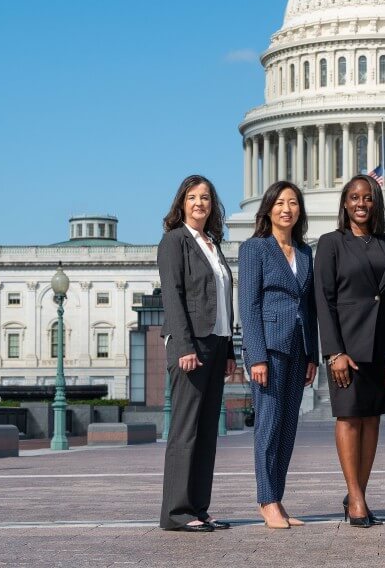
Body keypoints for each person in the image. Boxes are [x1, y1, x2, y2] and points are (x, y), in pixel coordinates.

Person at [314, 175, 385, 528]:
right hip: (348, 348)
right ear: (344, 202)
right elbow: (323, 301)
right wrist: (334, 351)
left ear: (376, 203)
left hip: (383, 349)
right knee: (349, 418)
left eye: (367, 197)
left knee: (372, 420)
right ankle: (355, 498)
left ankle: (358, 495)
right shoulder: (330, 244)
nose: (361, 203)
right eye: (354, 197)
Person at [238, 181, 319, 529]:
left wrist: (312, 353)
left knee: (287, 429)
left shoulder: (304, 252)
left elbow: (309, 307)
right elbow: (248, 305)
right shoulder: (254, 248)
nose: (287, 209)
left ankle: (278, 499)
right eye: (280, 203)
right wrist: (256, 355)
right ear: (268, 208)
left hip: (298, 347)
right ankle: (266, 499)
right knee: (268, 427)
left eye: (293, 203)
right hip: (268, 348)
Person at [158, 174, 236, 533]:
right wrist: (184, 345)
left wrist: (230, 349)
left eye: (205, 197)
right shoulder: (175, 241)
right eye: (192, 197)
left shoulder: (211, 244)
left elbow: (221, 302)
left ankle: (199, 509)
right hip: (192, 344)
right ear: (182, 203)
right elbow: (173, 295)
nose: (200, 203)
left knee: (206, 432)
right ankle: (176, 512)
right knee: (185, 432)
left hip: (216, 343)